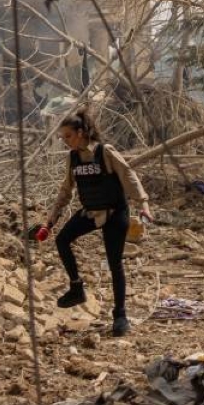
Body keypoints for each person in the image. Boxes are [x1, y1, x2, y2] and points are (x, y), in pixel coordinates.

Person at [43, 109, 152, 337]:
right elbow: (66, 190)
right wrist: (52, 218)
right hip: (90, 211)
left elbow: (128, 175)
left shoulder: (105, 152)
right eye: (62, 138)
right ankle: (76, 288)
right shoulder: (73, 158)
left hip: (114, 213)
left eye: (68, 136)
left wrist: (143, 204)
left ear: (81, 132)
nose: (66, 142)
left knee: (115, 263)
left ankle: (120, 315)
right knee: (62, 240)